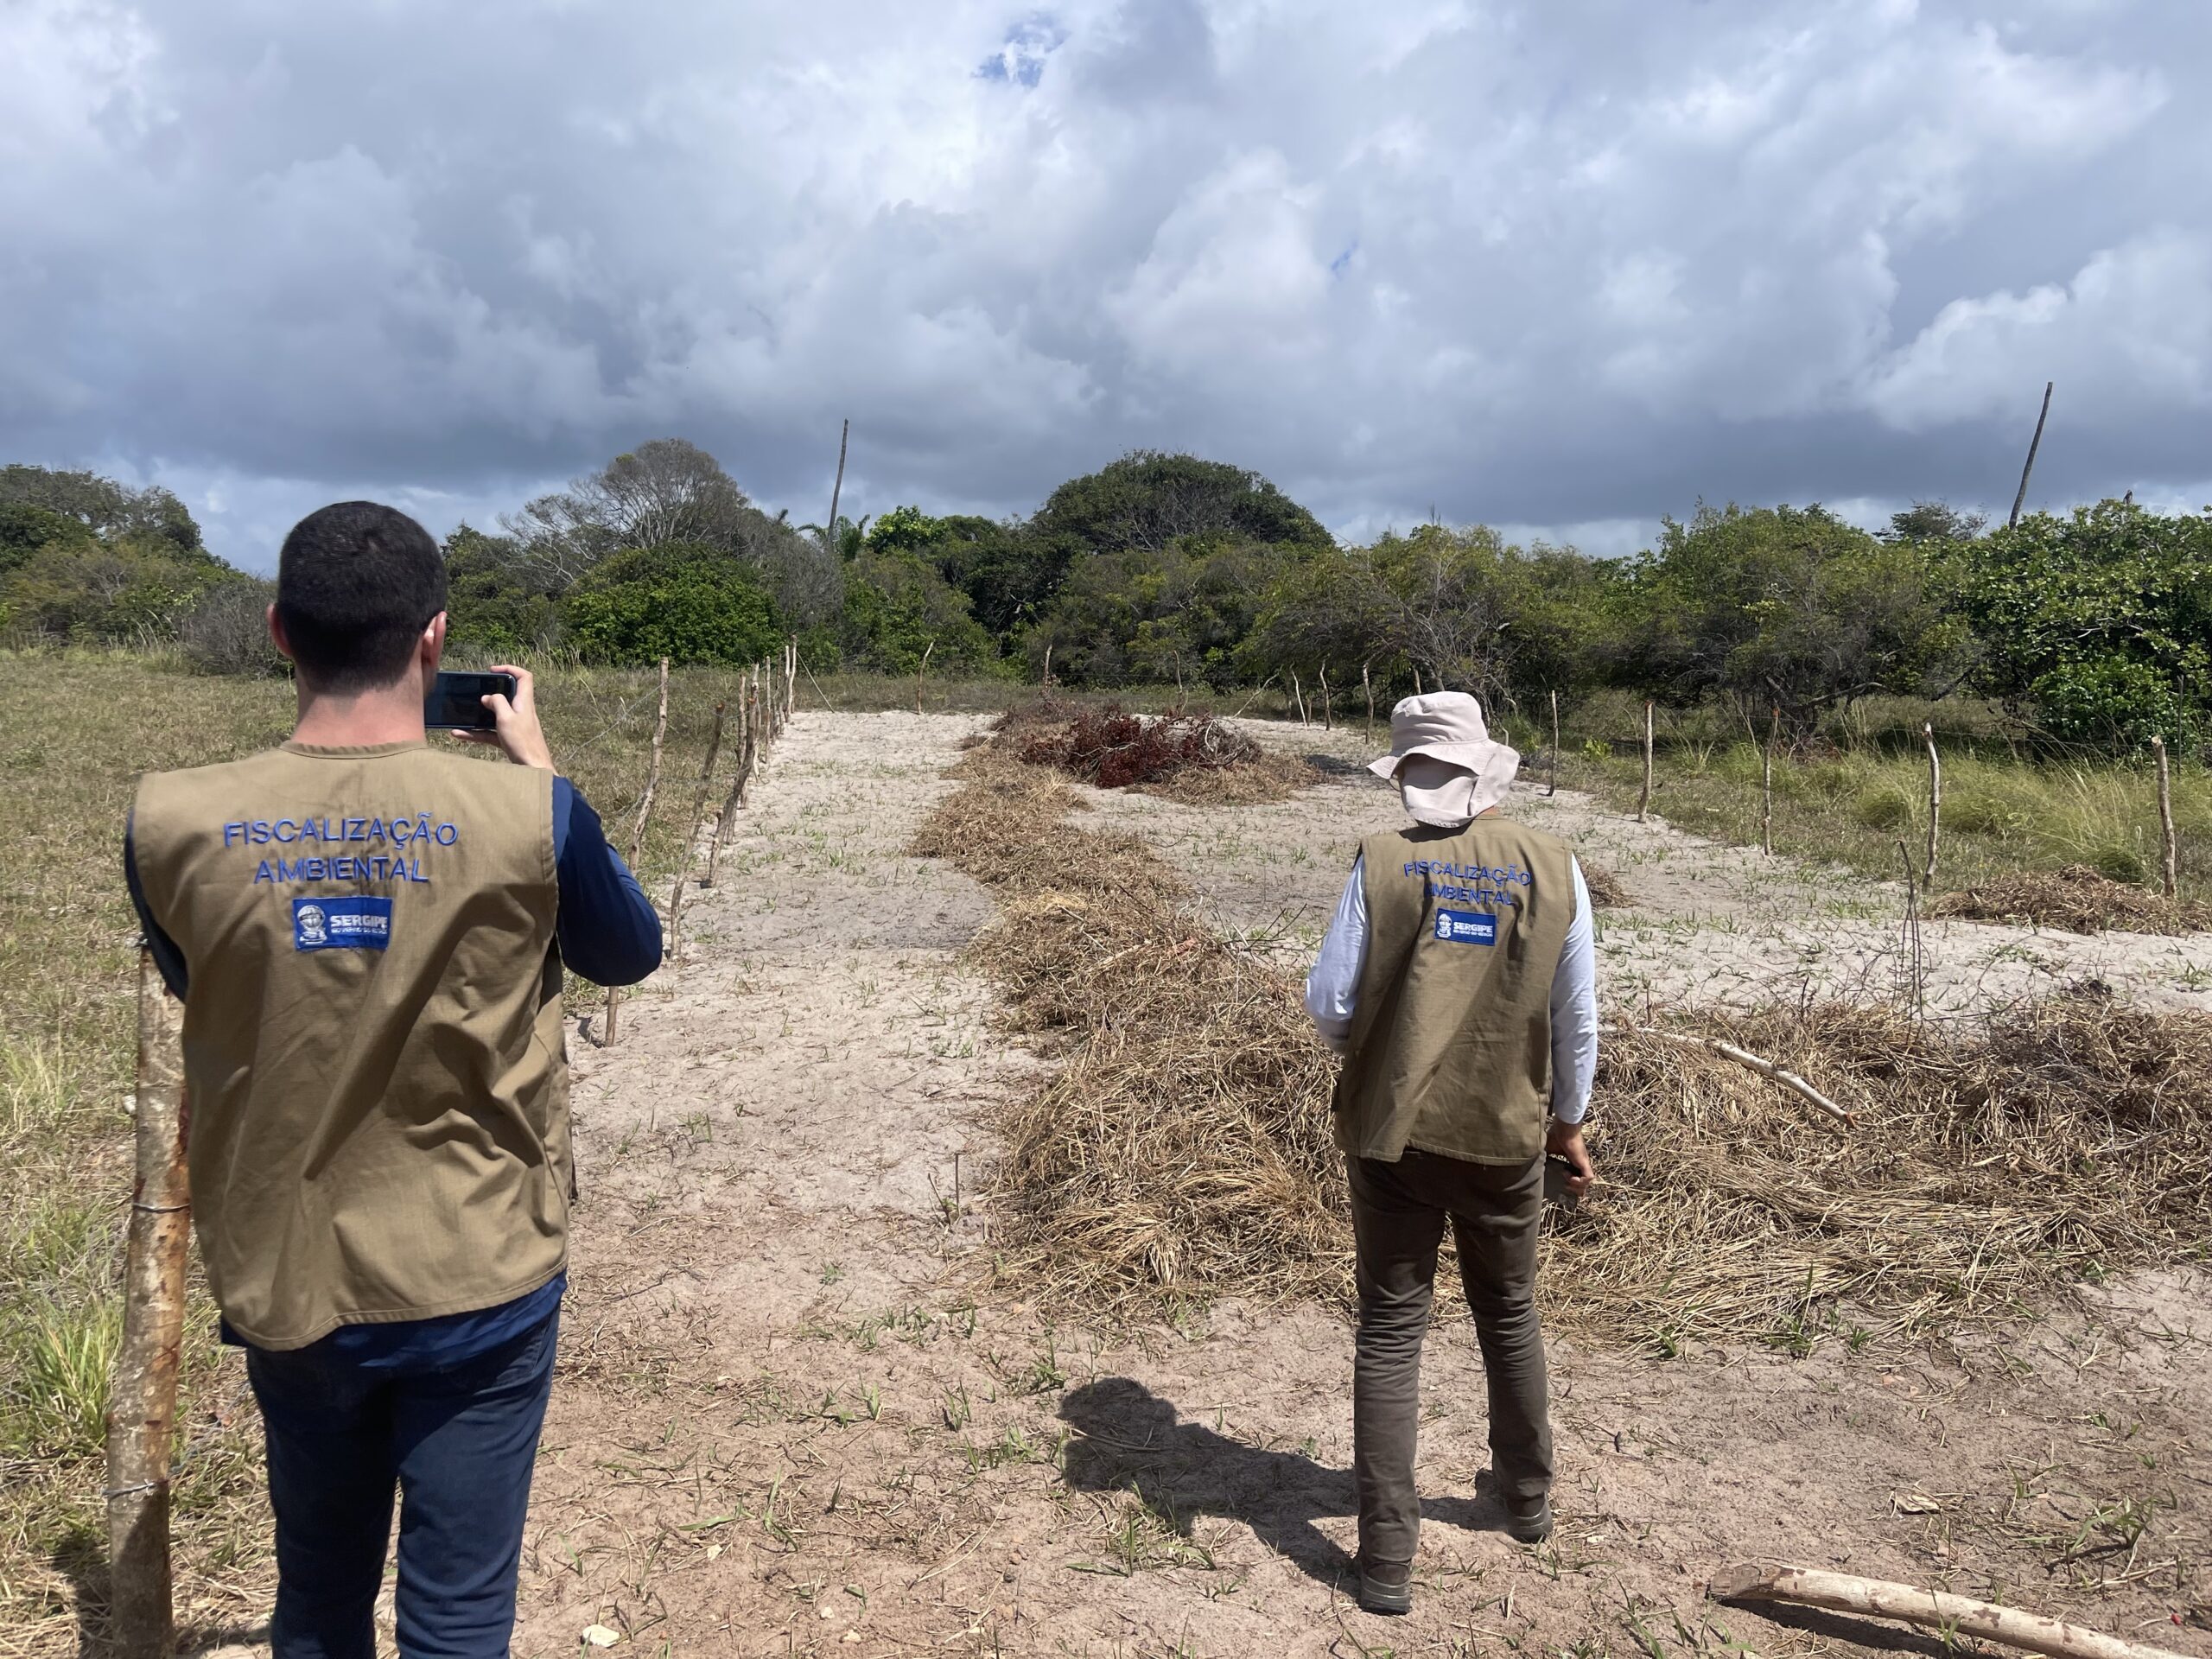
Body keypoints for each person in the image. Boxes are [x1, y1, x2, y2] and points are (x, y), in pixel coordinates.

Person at [124, 501, 663, 1659]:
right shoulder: (531, 816)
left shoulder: (168, 820)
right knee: (458, 1608)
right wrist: (539, 772)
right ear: (435, 639)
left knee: (317, 1595)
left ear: (278, 631)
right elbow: (628, 952)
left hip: (286, 1270)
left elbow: (198, 980)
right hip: (477, 1266)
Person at [1303, 690, 1599, 1617]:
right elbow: (1577, 1015)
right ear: (1484, 772)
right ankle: (1525, 1500)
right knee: (1508, 1311)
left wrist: (1386, 1042)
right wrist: (1567, 1122)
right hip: (1506, 1133)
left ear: (1409, 777)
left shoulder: (1381, 862)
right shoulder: (1553, 865)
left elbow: (1327, 1003)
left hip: (1392, 1136)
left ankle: (1386, 1559)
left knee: (1391, 1332)